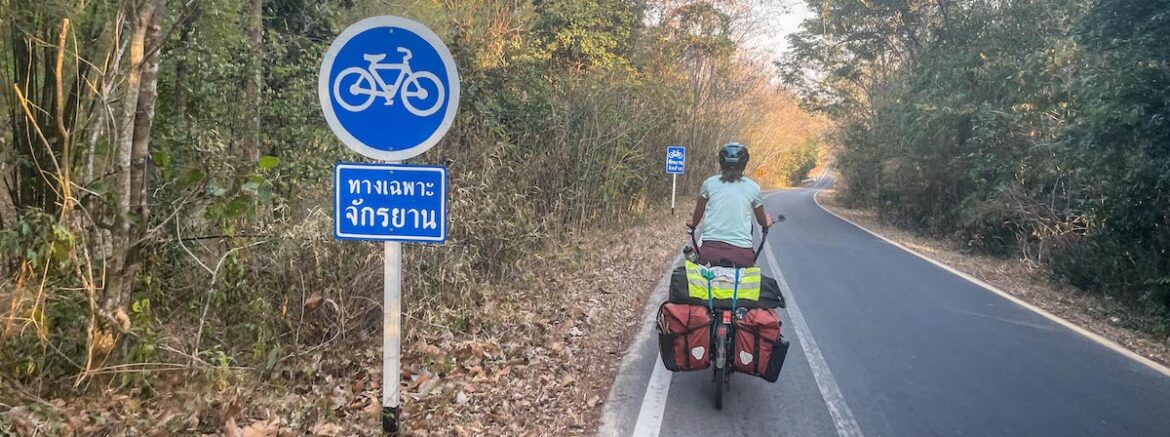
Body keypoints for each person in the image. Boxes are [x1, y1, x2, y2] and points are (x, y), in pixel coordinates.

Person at [686, 142, 774, 267]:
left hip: (710, 251)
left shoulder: (709, 184)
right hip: (742, 253)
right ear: (744, 163)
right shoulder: (754, 187)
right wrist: (767, 222)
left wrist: (693, 223)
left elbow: (698, 214)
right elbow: (761, 221)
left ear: (721, 162)